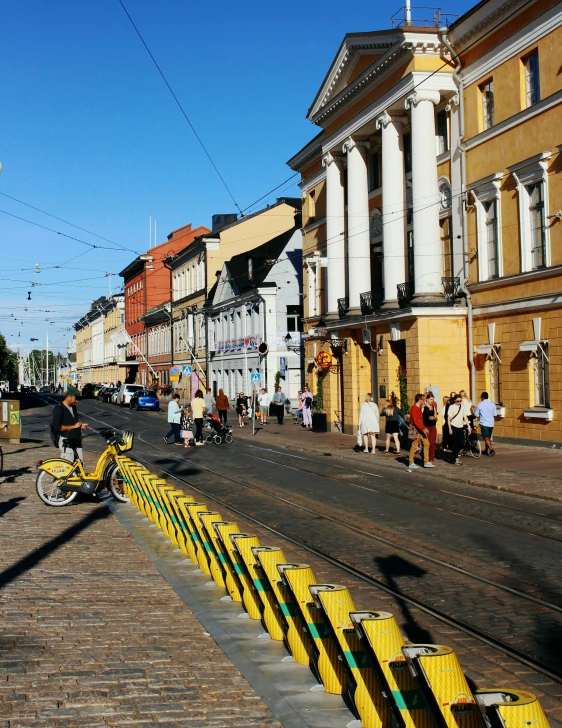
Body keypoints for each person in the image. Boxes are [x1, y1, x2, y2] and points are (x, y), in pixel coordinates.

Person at [51, 387, 88, 462]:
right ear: (68, 396)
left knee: (79, 464)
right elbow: (57, 427)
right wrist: (74, 426)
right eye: (75, 398)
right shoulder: (59, 408)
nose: (76, 401)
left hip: (76, 441)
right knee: (69, 465)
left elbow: (74, 423)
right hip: (66, 441)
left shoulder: (73, 407)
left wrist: (80, 426)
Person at [408, 393, 433, 470]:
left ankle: (426, 461)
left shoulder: (419, 408)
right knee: (414, 445)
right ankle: (411, 462)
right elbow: (416, 421)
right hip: (416, 430)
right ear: (419, 400)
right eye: (423, 399)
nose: (424, 401)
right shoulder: (414, 409)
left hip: (421, 429)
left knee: (426, 443)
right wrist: (423, 428)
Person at [447, 393, 471, 465]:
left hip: (460, 426)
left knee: (461, 443)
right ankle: (456, 458)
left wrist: (469, 427)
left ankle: (454, 455)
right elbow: (449, 418)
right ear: (454, 401)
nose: (459, 403)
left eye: (460, 401)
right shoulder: (451, 407)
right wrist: (450, 428)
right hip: (454, 426)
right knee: (455, 443)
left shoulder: (462, 407)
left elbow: (465, 417)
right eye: (457, 401)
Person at [474, 391, 497, 456]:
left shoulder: (480, 404)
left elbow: (476, 414)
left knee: (486, 438)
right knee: (488, 438)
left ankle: (491, 450)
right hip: (491, 423)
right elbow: (495, 414)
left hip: (484, 423)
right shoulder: (492, 404)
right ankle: (486, 450)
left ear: (482, 397)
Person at [423, 392, 439, 465]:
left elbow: (436, 418)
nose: (431, 401)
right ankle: (426, 457)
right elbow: (422, 418)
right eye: (430, 399)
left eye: (432, 399)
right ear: (427, 399)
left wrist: (434, 418)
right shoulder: (424, 408)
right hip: (426, 427)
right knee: (427, 443)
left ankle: (431, 458)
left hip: (432, 427)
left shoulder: (433, 407)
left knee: (432, 443)